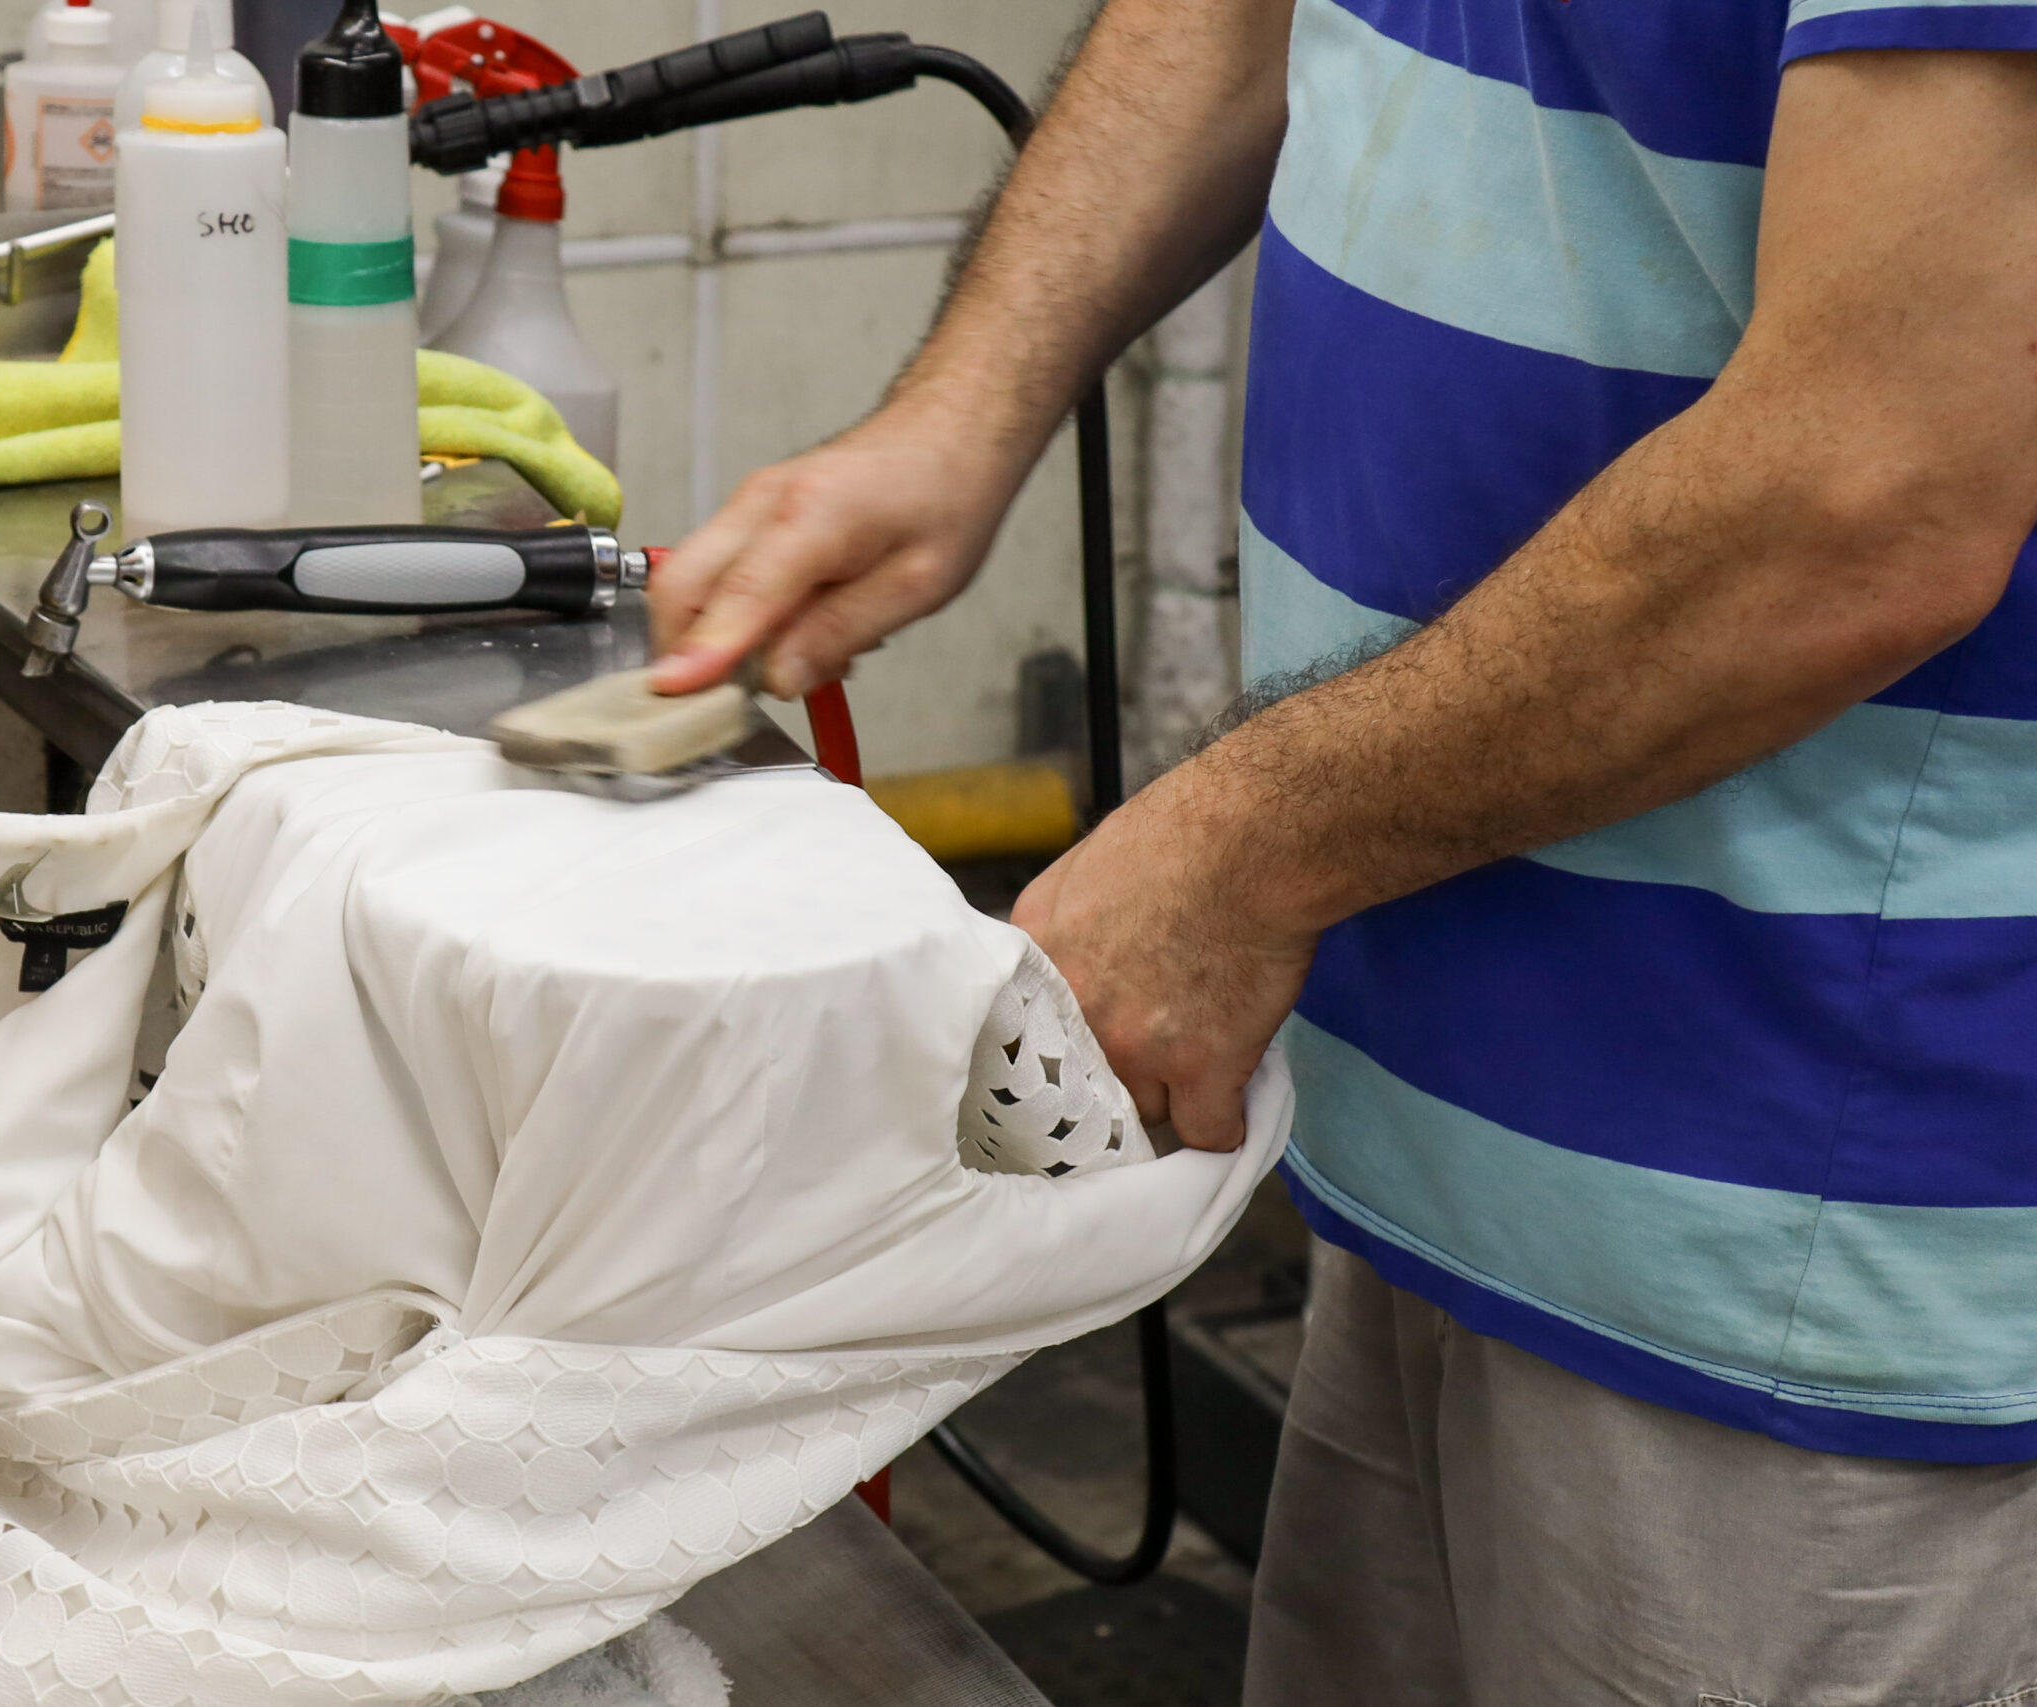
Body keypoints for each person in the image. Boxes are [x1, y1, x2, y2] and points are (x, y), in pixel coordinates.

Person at [645, 0, 2037, 1699]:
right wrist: (963, 408)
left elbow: (1868, 493)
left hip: (1799, 1231)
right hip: (1424, 1098)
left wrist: (1236, 855)